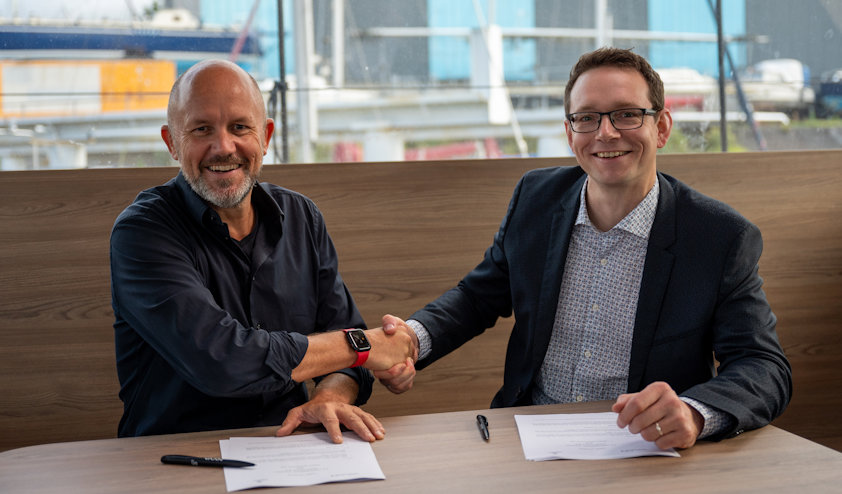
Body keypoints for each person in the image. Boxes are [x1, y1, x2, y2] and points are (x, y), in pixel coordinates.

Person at [376, 47, 792, 450]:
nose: (605, 133)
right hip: (527, 436)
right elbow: (477, 297)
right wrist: (413, 340)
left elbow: (764, 367)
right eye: (587, 118)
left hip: (643, 449)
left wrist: (695, 413)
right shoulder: (534, 198)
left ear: (662, 127)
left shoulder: (719, 237)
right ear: (570, 132)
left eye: (627, 114)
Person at [110, 59, 413, 443]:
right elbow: (222, 361)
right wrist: (364, 346)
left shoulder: (302, 216)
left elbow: (347, 349)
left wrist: (330, 395)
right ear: (172, 142)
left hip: (289, 446)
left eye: (240, 127)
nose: (223, 147)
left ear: (265, 136)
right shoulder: (142, 232)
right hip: (173, 456)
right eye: (202, 129)